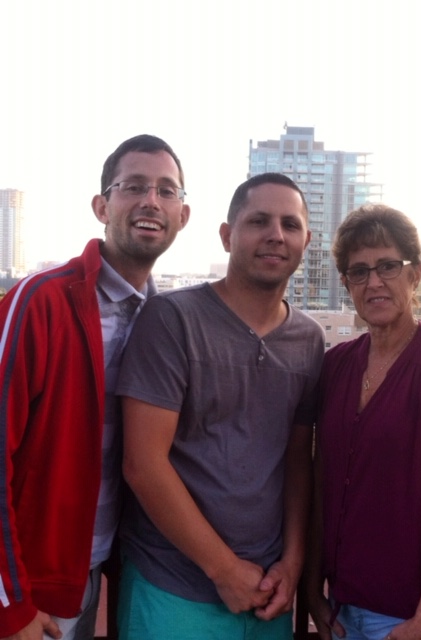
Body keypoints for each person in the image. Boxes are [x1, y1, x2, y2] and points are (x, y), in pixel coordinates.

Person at [115, 172, 325, 639]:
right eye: (258, 221)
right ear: (228, 236)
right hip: (173, 589)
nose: (275, 235)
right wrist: (223, 570)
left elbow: (295, 461)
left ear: (306, 240)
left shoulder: (309, 339)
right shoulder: (171, 320)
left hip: (268, 592)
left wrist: (291, 564)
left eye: (290, 225)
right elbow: (142, 463)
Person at [0, 134, 190, 639]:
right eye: (134, 187)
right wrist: (9, 603)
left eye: (167, 190)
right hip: (31, 583)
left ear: (183, 216)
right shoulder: (40, 302)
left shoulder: (166, 322)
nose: (151, 200)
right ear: (102, 206)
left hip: (100, 573)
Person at [307, 204, 421, 640]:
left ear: (415, 274)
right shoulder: (335, 366)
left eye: (388, 266)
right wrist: (313, 589)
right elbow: (322, 484)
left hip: (419, 620)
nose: (373, 282)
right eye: (358, 271)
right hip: (345, 611)